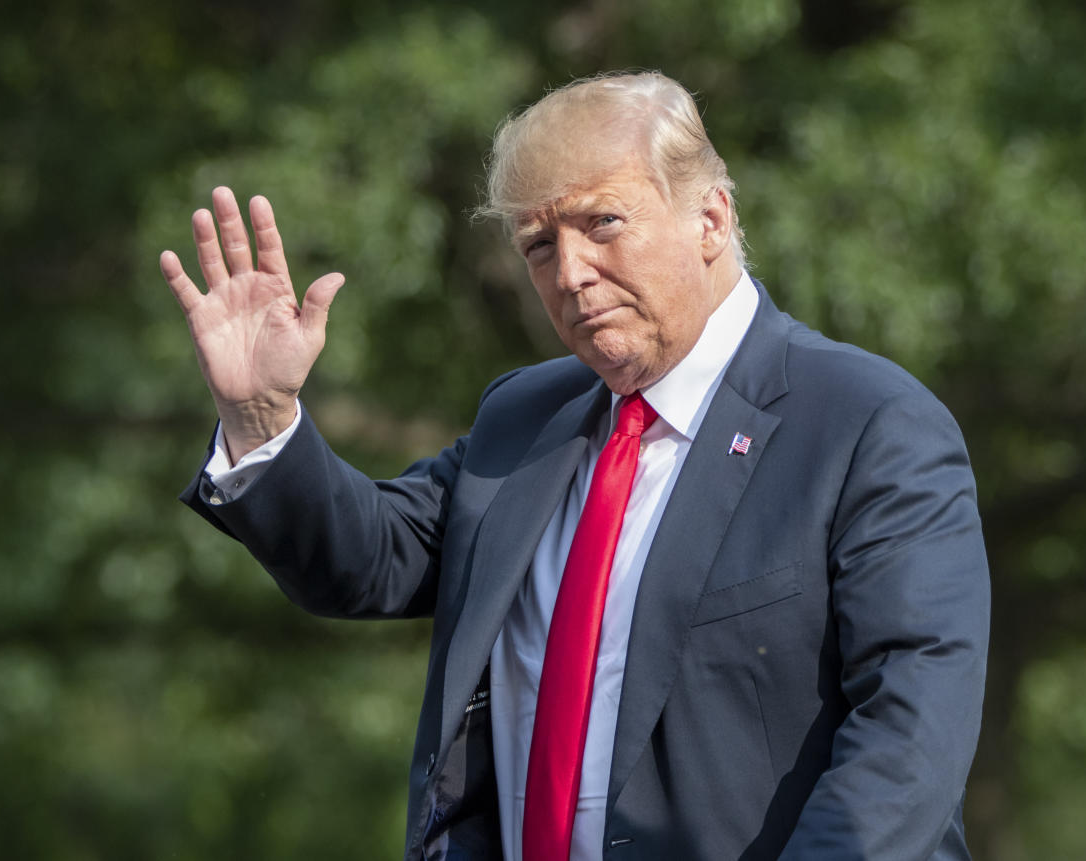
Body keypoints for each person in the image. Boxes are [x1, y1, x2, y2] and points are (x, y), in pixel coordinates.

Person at [161, 72, 989, 861]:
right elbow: (366, 561)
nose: (571, 272)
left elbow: (910, 739)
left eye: (602, 224)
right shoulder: (527, 418)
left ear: (710, 218)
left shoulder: (867, 422)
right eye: (538, 244)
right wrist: (261, 414)